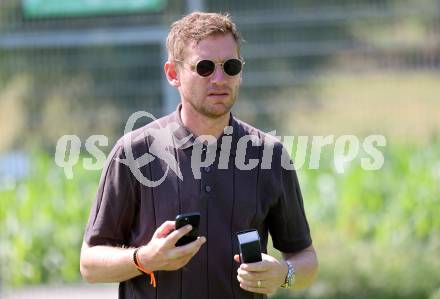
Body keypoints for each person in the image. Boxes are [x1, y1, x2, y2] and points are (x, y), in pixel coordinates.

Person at [80, 12, 318, 299]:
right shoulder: (133, 153)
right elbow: (90, 264)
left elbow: (305, 257)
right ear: (172, 74)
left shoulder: (270, 154)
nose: (219, 79)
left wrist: (284, 274)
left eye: (230, 66)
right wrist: (145, 259)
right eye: (204, 67)